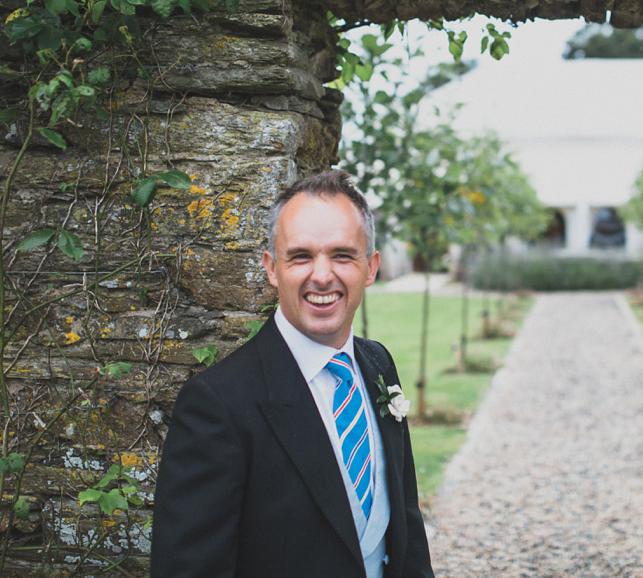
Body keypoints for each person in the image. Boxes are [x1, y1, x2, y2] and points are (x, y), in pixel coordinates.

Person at [151, 170, 433, 578]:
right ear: (271, 268)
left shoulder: (378, 364)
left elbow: (405, 524)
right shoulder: (217, 403)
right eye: (301, 256)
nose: (321, 275)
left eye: (342, 255)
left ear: (371, 268)